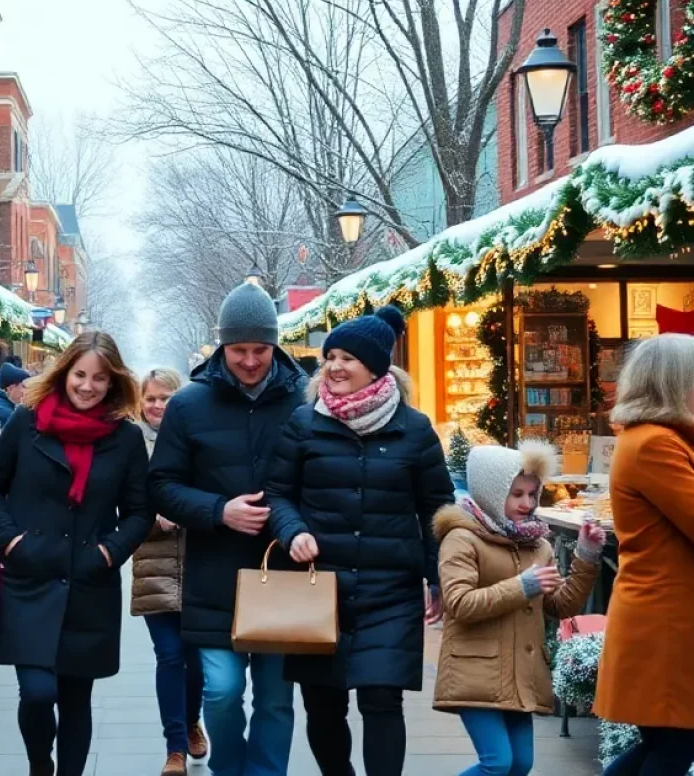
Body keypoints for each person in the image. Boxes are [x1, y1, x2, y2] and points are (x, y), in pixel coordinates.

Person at [265, 306, 455, 776]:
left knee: (381, 698)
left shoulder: (414, 430)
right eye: (329, 356)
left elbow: (437, 507)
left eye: (347, 357)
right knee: (323, 703)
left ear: (375, 366)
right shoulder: (304, 423)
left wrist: (439, 577)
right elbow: (278, 494)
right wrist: (293, 530)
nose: (333, 366)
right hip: (317, 589)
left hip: (390, 589)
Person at [0, 331, 150, 776]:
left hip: (89, 584)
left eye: (100, 378)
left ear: (114, 383)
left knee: (76, 698)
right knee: (36, 692)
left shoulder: (126, 439)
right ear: (64, 372)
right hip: (29, 578)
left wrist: (109, 553)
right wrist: (11, 541)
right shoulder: (25, 421)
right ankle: (40, 766)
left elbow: (138, 511)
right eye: (80, 375)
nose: (88, 386)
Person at [149, 282, 306, 776]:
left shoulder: (303, 400)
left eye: (261, 349)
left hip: (283, 574)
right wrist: (220, 510)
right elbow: (163, 485)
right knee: (221, 690)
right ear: (222, 346)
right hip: (214, 575)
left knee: (277, 698)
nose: (252, 360)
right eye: (239, 350)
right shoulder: (189, 404)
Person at [433, 441, 603, 776]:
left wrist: (587, 556)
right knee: (498, 764)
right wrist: (522, 586)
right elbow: (459, 603)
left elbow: (560, 605)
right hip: (476, 670)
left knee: (520, 765)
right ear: (493, 493)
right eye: (517, 494)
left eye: (532, 494)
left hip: (522, 674)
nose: (527, 503)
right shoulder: (462, 538)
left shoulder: (537, 544)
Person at [595, 334, 694, 775]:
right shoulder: (657, 443)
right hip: (668, 623)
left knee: (666, 745)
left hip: (662, 619)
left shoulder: (656, 438)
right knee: (672, 747)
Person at [131, 367, 207, 776]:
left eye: (166, 398)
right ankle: (174, 746)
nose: (158, 405)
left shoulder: (197, 436)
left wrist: (189, 511)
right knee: (170, 655)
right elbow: (119, 506)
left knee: (195, 661)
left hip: (201, 564)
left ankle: (192, 719)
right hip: (154, 566)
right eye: (151, 398)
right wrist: (151, 520)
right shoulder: (129, 443)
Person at [0, 362, 30, 430]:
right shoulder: (5, 413)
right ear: (11, 387)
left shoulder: (3, 405)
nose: (26, 391)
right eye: (23, 386)